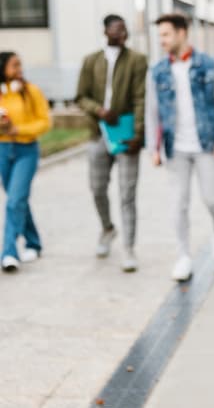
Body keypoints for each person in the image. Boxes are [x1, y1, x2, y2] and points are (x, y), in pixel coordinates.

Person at [146, 13, 214, 282]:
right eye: (160, 35)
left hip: (205, 144)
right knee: (178, 204)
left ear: (182, 33)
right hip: (176, 148)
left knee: (211, 199)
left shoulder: (208, 64)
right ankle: (183, 256)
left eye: (166, 34)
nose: (162, 40)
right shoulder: (157, 71)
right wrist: (153, 148)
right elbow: (152, 112)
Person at [76, 14, 147, 272]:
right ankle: (107, 228)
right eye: (117, 29)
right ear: (106, 31)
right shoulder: (91, 61)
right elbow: (81, 97)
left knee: (128, 194)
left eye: (125, 29)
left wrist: (138, 134)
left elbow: (141, 98)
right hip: (98, 134)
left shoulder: (137, 60)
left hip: (127, 136)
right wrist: (99, 110)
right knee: (97, 189)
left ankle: (129, 247)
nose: (122, 33)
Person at [0, 52, 51, 271]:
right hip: (3, 149)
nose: (19, 69)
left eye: (20, 64)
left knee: (14, 200)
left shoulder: (32, 91)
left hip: (26, 150)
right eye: (14, 65)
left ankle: (9, 252)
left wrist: (18, 129)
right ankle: (34, 242)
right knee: (17, 199)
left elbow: (45, 122)